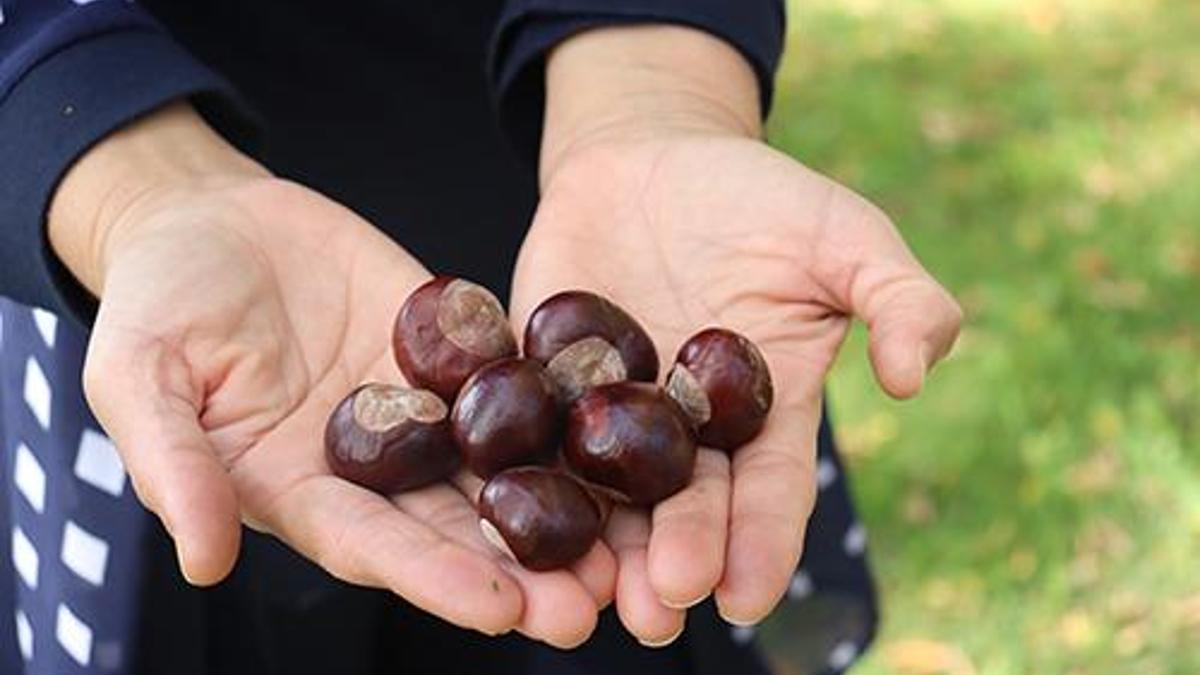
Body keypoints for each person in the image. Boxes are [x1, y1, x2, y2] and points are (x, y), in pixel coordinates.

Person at [0, 1, 962, 673]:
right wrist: (111, 168)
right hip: (184, 302)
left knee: (645, 612)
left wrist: (658, 85)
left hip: (613, 223)